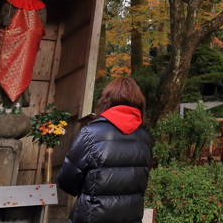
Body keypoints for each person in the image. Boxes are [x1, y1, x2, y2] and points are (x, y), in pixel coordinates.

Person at [57, 77, 153, 223]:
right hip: (130, 217)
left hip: (92, 216)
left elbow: (67, 180)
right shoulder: (145, 138)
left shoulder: (91, 133)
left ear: (106, 100)